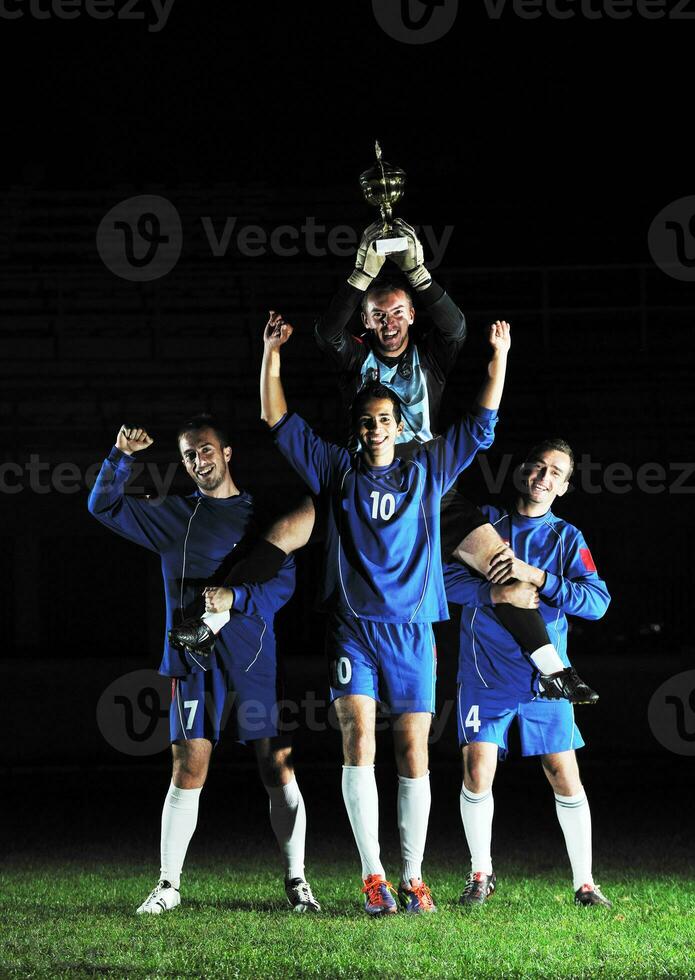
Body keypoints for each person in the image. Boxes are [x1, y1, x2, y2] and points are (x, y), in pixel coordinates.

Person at [170, 223, 596, 704]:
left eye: (397, 313)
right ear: (366, 323)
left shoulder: (430, 357)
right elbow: (325, 331)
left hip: (425, 477)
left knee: (501, 563)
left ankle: (553, 668)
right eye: (378, 316)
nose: (389, 323)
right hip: (358, 475)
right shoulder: (354, 359)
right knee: (282, 532)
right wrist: (362, 272)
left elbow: (455, 327)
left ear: (412, 315)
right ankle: (209, 622)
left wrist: (416, 270)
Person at [260, 309, 510, 915]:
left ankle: (413, 875)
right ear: (358, 429)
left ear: (400, 427)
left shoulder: (426, 468)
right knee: (358, 741)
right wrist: (271, 355)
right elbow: (277, 419)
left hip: (414, 631)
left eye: (385, 421)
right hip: (353, 631)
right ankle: (374, 877)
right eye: (368, 422)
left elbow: (480, 426)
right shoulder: (336, 468)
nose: (376, 430)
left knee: (415, 751)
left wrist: (498, 357)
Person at [87, 417, 320, 915]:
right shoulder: (173, 516)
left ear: (228, 452)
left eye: (206, 450)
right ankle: (168, 884)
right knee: (188, 765)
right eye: (189, 455)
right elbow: (101, 505)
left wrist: (235, 595)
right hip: (194, 663)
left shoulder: (262, 516)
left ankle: (297, 881)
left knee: (276, 765)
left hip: (255, 661)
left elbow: (284, 584)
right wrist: (120, 456)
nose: (198, 461)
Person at [443, 438, 612, 908]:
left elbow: (597, 602)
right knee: (478, 769)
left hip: (546, 682)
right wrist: (492, 594)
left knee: (563, 773)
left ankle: (585, 883)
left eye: (555, 472)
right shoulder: (485, 524)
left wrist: (536, 576)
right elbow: (444, 580)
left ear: (564, 486)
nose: (543, 477)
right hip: (486, 674)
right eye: (538, 467)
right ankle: (481, 875)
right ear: (521, 472)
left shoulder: (566, 539)